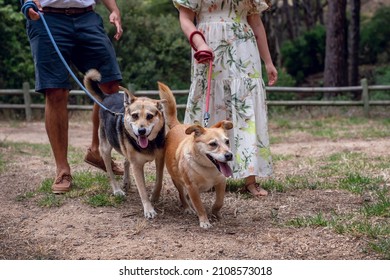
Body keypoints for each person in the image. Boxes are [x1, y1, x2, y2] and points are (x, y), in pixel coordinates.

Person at [173, 0, 278, 197]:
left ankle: (250, 177)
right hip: (207, 43)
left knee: (244, 108)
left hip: (244, 48)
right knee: (210, 100)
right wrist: (199, 43)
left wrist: (268, 62)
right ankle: (203, 174)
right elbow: (186, 18)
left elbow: (255, 23)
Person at [21, 0, 124, 194]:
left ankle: (97, 151)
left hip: (87, 17)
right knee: (55, 91)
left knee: (109, 84)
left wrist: (114, 9)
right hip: (47, 17)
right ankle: (62, 169)